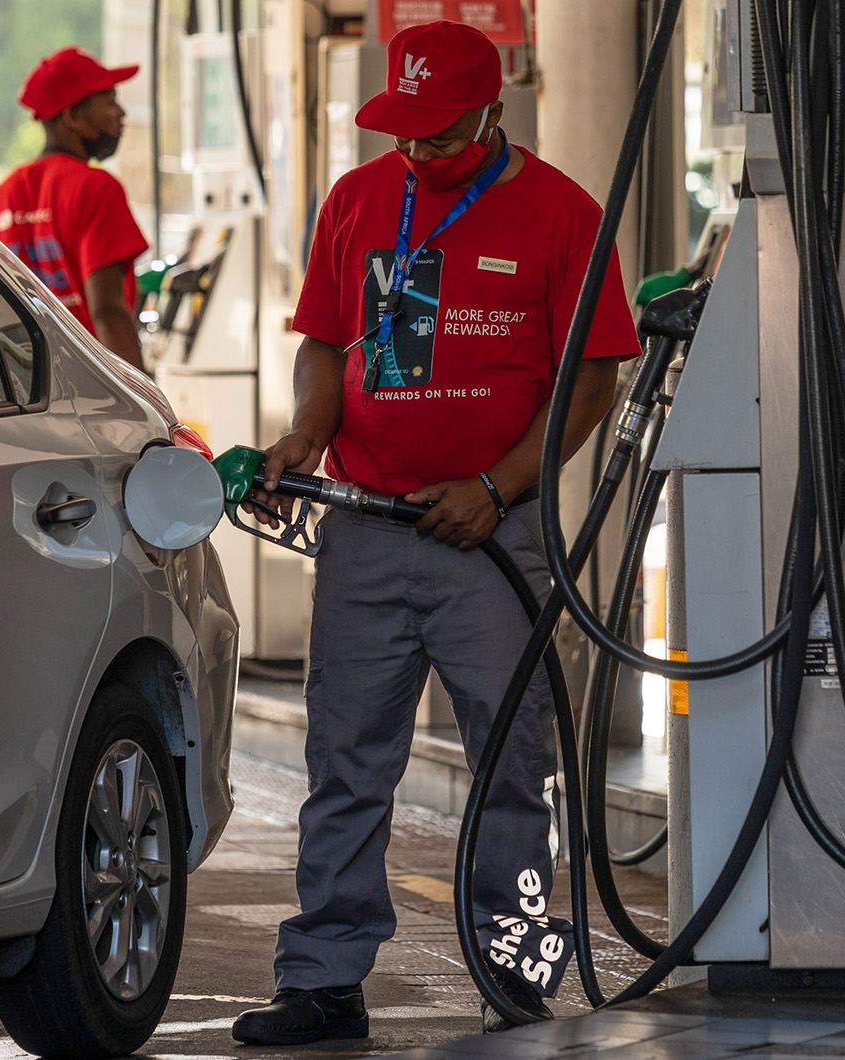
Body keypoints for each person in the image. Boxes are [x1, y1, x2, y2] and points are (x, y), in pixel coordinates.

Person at [229, 19, 637, 1047]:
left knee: (514, 757)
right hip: (367, 525)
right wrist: (303, 437)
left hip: (492, 538)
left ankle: (516, 969)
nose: (416, 154)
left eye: (439, 137)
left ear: (494, 114)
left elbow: (594, 377)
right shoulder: (358, 201)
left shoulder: (559, 213)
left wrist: (498, 490)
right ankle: (321, 980)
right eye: (402, 134)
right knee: (345, 761)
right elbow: (323, 342)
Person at [0, 46, 149, 370]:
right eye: (110, 100)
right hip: (92, 394)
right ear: (73, 117)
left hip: (27, 398)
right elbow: (108, 312)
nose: (121, 113)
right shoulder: (95, 187)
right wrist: (147, 409)